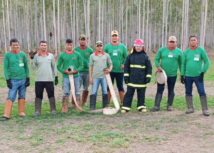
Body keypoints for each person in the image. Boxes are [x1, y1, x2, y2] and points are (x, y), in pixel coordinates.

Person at [151, 36, 183, 111]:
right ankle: (156, 106)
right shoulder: (162, 50)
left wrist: (182, 74)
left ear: (176, 43)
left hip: (173, 75)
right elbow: (156, 59)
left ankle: (169, 105)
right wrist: (158, 66)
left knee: (171, 90)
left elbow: (181, 64)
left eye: (173, 42)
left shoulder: (179, 52)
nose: (171, 43)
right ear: (168, 42)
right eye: (170, 42)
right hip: (162, 75)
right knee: (160, 89)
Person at [1, 38, 30, 121]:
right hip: (13, 80)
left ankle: (21, 112)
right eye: (13, 45)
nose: (15, 46)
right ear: (10, 46)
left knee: (22, 96)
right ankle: (6, 114)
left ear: (19, 45)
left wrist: (28, 78)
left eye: (17, 45)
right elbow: (5, 68)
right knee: (11, 96)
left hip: (23, 79)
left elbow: (26, 67)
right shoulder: (7, 55)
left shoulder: (22, 54)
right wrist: (7, 80)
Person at [181, 35, 210, 116]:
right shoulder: (186, 52)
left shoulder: (201, 50)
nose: (193, 41)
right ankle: (190, 108)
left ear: (197, 41)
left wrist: (203, 72)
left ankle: (205, 109)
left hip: (198, 76)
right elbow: (183, 63)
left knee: (202, 92)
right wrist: (182, 74)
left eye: (194, 40)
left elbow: (207, 61)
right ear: (189, 42)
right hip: (188, 76)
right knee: (188, 92)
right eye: (191, 40)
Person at [121, 39, 152, 113]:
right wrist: (126, 76)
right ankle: (125, 107)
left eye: (140, 46)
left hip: (142, 80)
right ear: (134, 47)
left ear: (142, 47)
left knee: (141, 94)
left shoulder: (145, 57)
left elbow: (149, 68)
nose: (138, 47)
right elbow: (126, 67)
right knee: (129, 94)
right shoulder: (130, 56)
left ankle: (141, 107)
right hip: (131, 80)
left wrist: (148, 77)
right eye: (137, 46)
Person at [29, 41, 58, 117]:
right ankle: (37, 111)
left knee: (51, 94)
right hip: (39, 79)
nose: (43, 46)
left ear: (47, 46)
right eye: (42, 45)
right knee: (38, 95)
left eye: (45, 45)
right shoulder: (36, 56)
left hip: (49, 79)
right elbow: (32, 67)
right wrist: (31, 58)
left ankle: (53, 110)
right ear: (39, 46)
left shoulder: (50, 56)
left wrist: (56, 76)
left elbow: (54, 66)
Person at [57, 39, 83, 114]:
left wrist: (76, 70)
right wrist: (64, 71)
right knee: (65, 92)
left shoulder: (77, 54)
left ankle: (78, 107)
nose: (69, 46)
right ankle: (64, 108)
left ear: (73, 45)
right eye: (68, 45)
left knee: (77, 92)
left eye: (71, 45)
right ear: (65, 45)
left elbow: (81, 65)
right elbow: (58, 66)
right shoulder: (62, 55)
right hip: (66, 77)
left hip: (76, 76)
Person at [69, 34, 93, 108]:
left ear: (86, 41)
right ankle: (74, 102)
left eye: (84, 39)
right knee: (76, 87)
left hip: (87, 72)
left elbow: (93, 60)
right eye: (81, 40)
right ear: (79, 41)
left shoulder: (90, 50)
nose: (82, 41)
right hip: (78, 72)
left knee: (86, 87)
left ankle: (84, 102)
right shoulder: (75, 49)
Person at [104, 30, 128, 106]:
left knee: (120, 86)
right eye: (113, 36)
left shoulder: (122, 46)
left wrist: (124, 64)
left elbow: (126, 57)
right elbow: (104, 57)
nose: (114, 37)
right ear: (111, 37)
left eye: (115, 36)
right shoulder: (107, 47)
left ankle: (123, 102)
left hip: (120, 70)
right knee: (109, 86)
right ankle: (107, 103)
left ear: (118, 37)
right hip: (110, 71)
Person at [89, 41, 112, 110]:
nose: (99, 47)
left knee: (105, 91)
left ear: (102, 47)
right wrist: (90, 77)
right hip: (95, 77)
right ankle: (92, 106)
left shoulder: (106, 55)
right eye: (98, 46)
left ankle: (105, 105)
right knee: (94, 91)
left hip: (104, 77)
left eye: (100, 46)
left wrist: (109, 70)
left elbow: (110, 64)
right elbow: (90, 66)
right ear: (96, 47)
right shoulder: (92, 56)